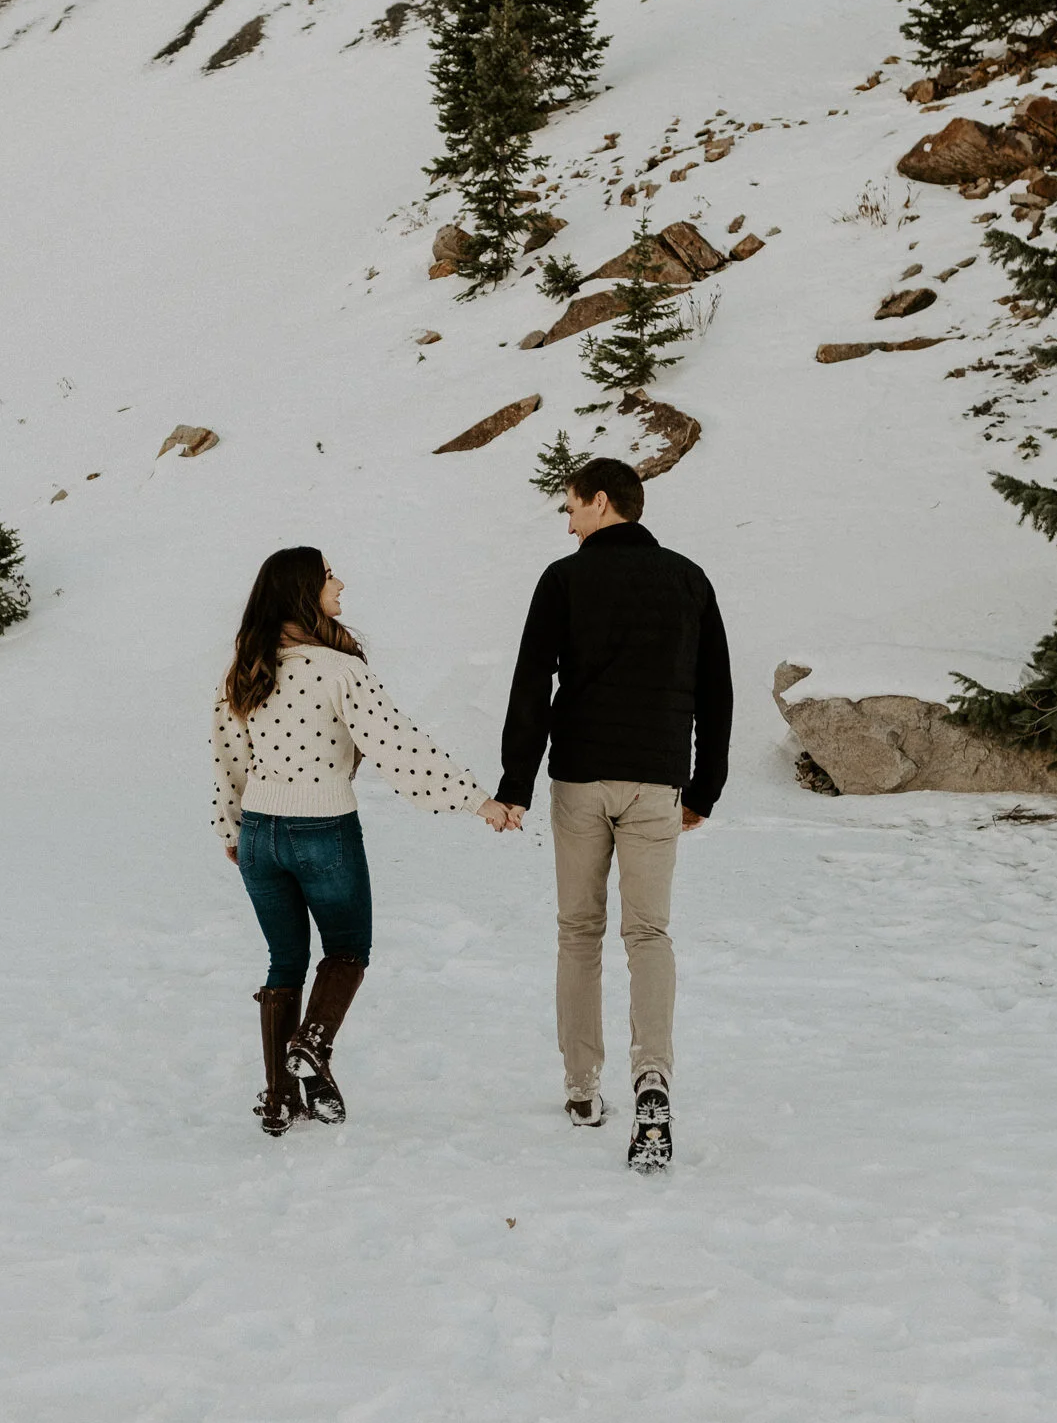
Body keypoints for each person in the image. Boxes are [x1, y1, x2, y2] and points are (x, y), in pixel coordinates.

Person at [212, 546, 515, 1136]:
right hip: (323, 829)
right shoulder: (339, 669)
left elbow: (228, 758)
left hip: (258, 837)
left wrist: (234, 829)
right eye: (329, 576)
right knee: (348, 948)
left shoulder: (243, 669)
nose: (340, 583)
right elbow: (398, 745)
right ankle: (312, 1043)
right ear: (304, 590)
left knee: (284, 960)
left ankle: (278, 1098)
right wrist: (475, 798)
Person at [496, 459, 732, 1173]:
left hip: (579, 780)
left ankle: (581, 1085)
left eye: (570, 507)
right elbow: (715, 691)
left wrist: (515, 783)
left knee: (579, 929)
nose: (566, 522)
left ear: (602, 502)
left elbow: (533, 683)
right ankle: (652, 1076)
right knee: (649, 931)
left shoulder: (563, 580)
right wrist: (703, 787)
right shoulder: (688, 578)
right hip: (657, 780)